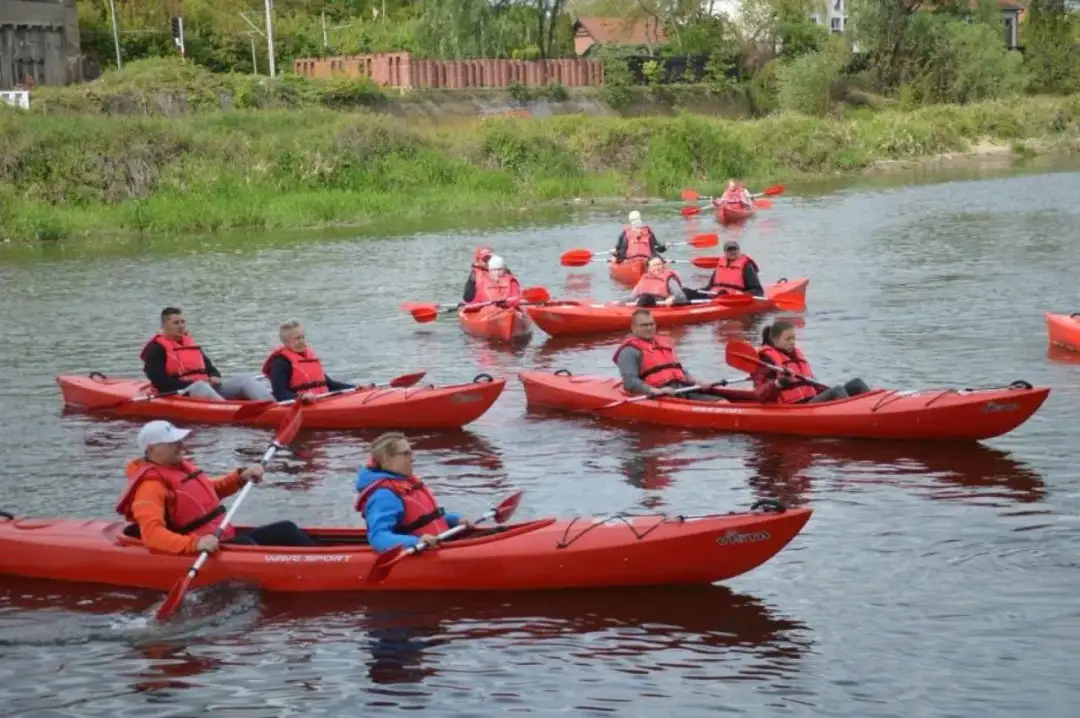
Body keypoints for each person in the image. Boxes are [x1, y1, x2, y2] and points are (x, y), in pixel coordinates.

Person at [117, 420, 318, 555]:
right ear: (152, 449)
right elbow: (152, 535)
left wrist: (239, 477)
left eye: (179, 440)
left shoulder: (177, 469)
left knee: (287, 529)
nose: (181, 445)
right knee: (250, 547)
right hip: (206, 549)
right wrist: (195, 544)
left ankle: (320, 559)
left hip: (222, 538)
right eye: (172, 442)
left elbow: (206, 494)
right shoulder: (149, 487)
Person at [354, 432, 474, 553]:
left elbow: (429, 519)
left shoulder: (408, 484)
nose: (412, 458)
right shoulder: (384, 495)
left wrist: (456, 519)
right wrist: (416, 542)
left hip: (440, 546)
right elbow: (378, 537)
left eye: (411, 453)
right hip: (422, 551)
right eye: (406, 454)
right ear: (387, 459)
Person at [141, 307, 272, 402]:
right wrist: (193, 384)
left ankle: (275, 406)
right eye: (176, 323)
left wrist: (214, 376)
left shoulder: (189, 343)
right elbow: (159, 381)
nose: (181, 326)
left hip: (206, 387)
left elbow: (210, 368)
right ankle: (227, 410)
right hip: (182, 392)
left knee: (244, 379)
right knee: (200, 386)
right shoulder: (156, 348)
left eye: (183, 322)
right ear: (164, 325)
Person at [612, 309, 726, 402]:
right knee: (722, 406)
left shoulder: (664, 343)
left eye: (651, 324)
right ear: (633, 327)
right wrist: (654, 390)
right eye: (644, 325)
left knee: (722, 402)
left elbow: (678, 369)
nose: (649, 328)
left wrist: (697, 381)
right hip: (660, 395)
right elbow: (630, 382)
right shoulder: (629, 351)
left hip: (683, 390)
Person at [752, 319, 872, 404]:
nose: (792, 342)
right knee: (837, 390)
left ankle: (871, 408)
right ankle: (852, 417)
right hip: (798, 407)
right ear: (775, 340)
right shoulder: (766, 360)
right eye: (788, 339)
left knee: (857, 383)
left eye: (793, 338)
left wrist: (822, 389)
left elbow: (810, 382)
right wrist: (779, 383)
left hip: (811, 400)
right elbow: (759, 394)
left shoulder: (795, 355)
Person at [262, 320, 356, 403]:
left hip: (323, 400)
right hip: (299, 405)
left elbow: (330, 384)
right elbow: (280, 394)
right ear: (286, 342)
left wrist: (355, 387)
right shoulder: (280, 362)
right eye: (297, 338)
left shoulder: (309, 358)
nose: (302, 341)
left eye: (303, 337)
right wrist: (302, 397)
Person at [685, 240, 765, 299]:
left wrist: (743, 295)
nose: (732, 252)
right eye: (729, 250)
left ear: (739, 251)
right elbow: (710, 286)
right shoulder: (720, 264)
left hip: (732, 299)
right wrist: (697, 291)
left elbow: (757, 290)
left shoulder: (746, 266)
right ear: (725, 252)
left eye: (735, 249)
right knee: (686, 291)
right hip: (715, 295)